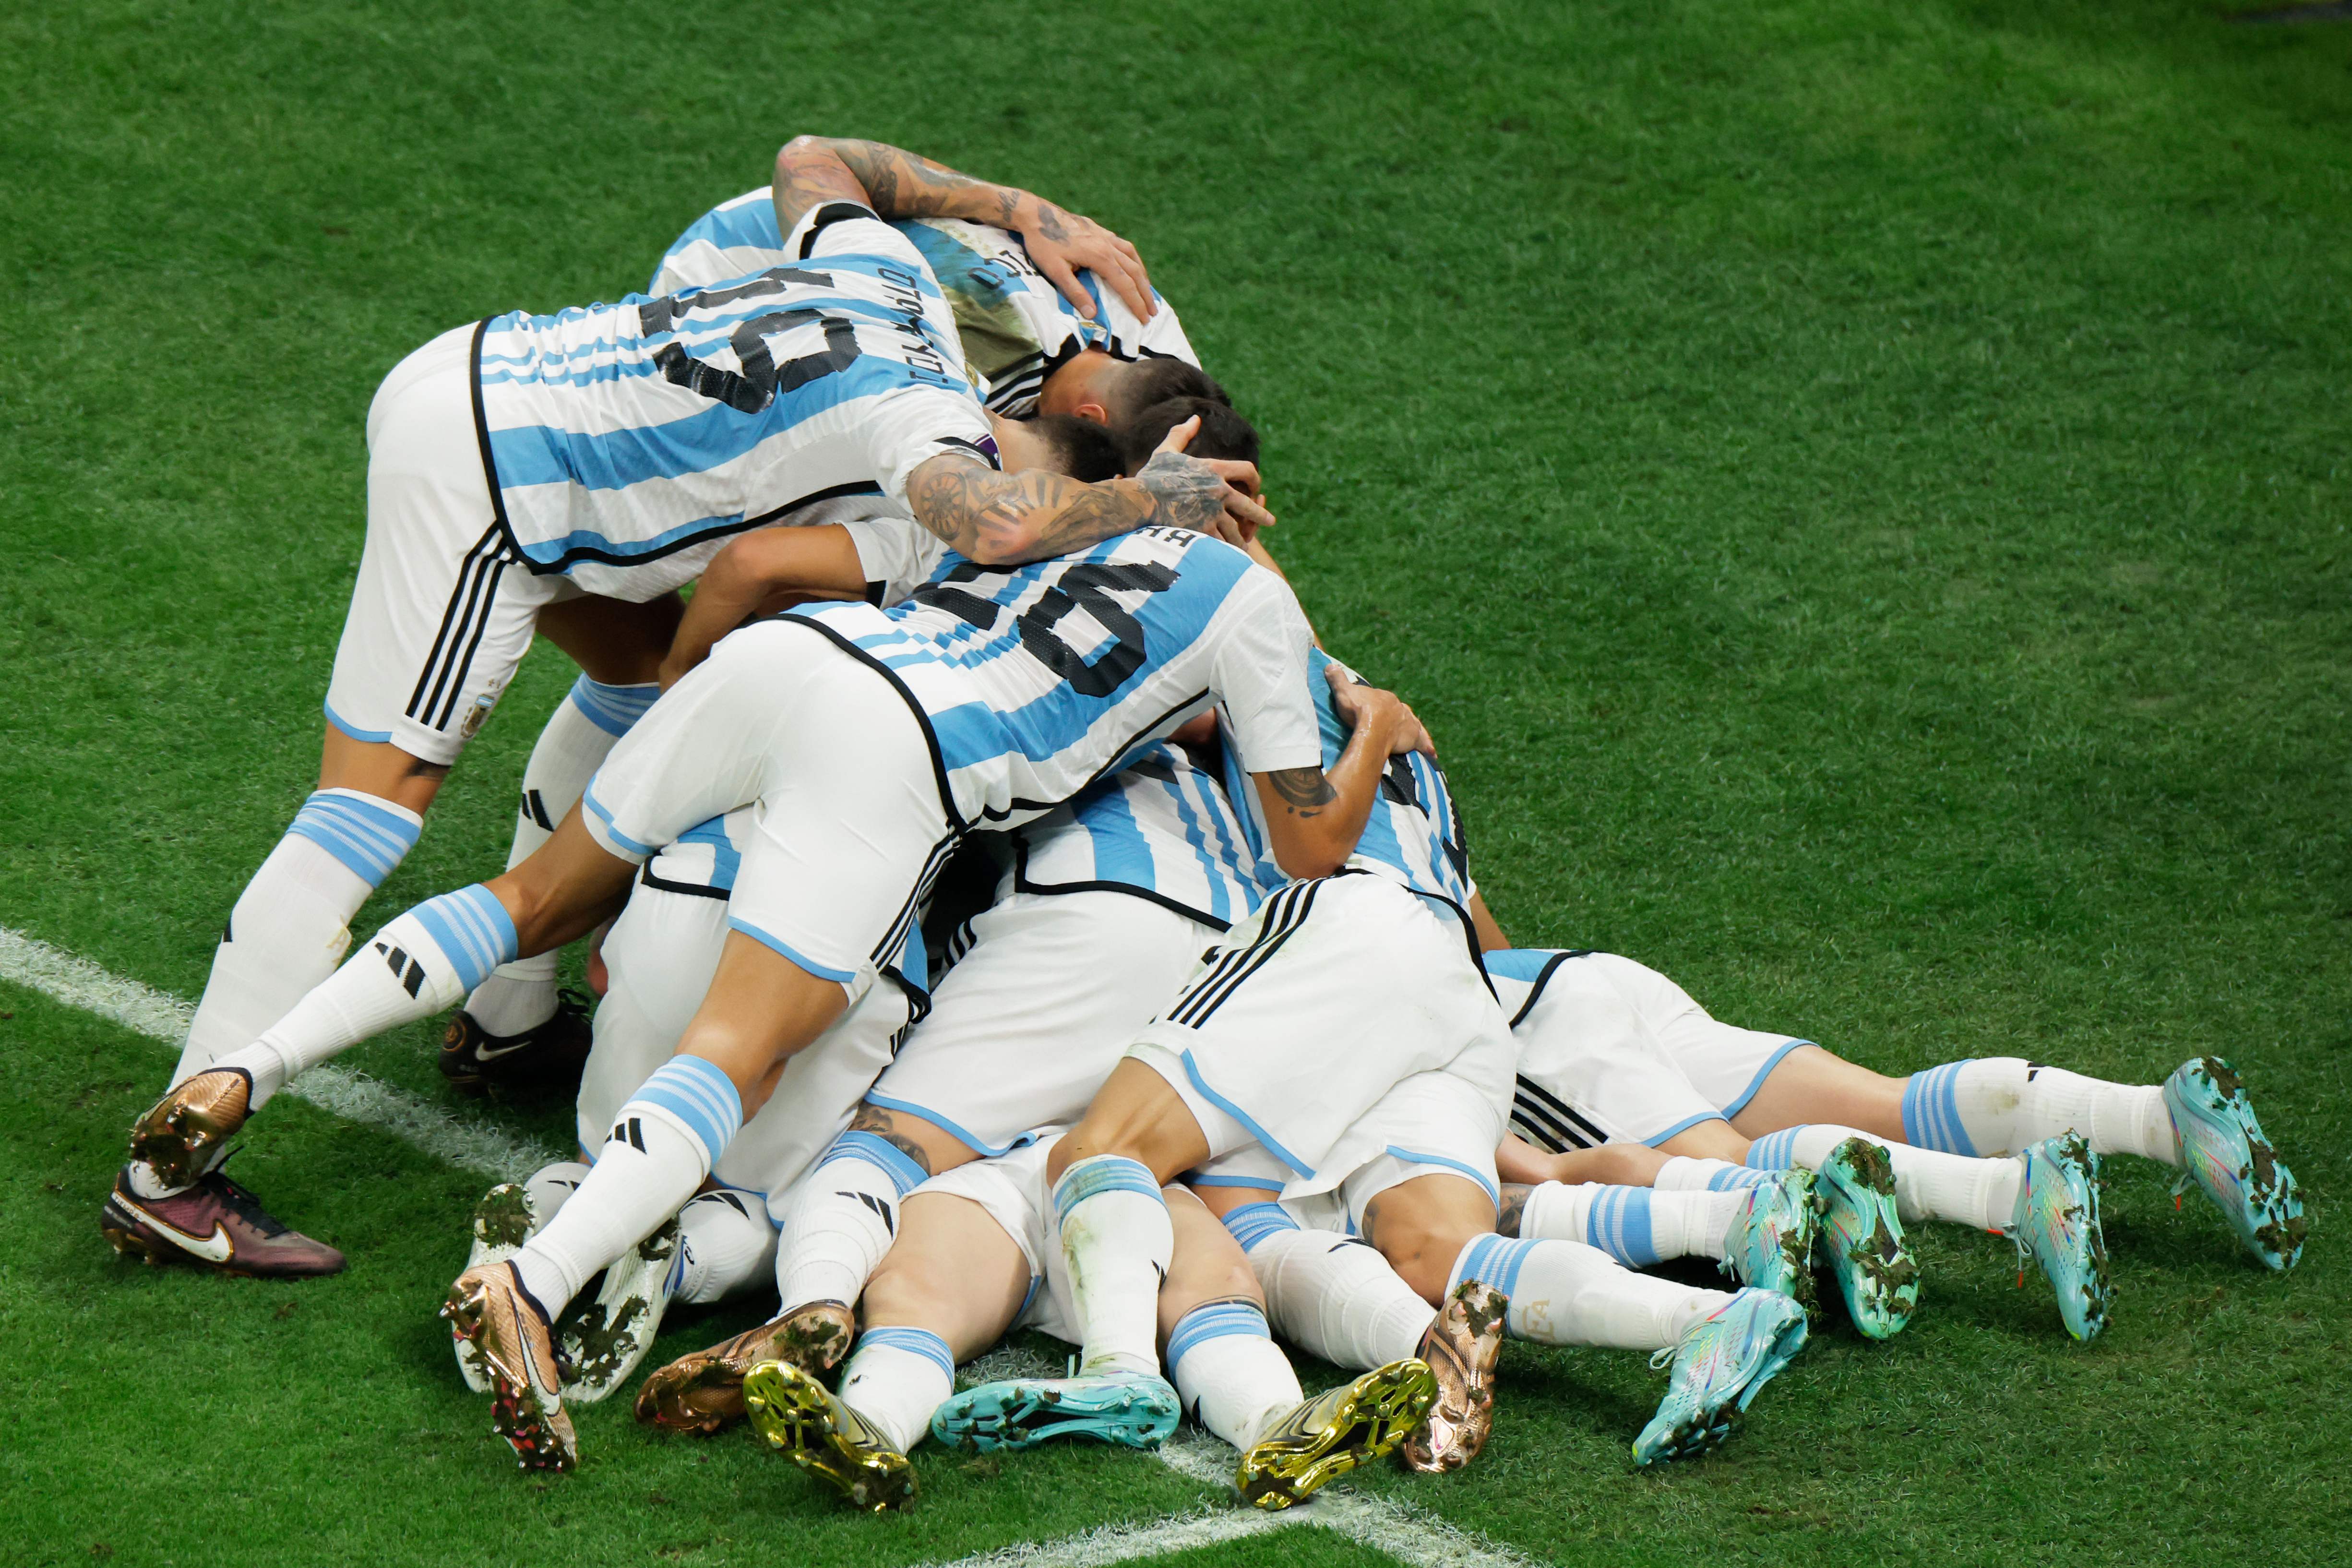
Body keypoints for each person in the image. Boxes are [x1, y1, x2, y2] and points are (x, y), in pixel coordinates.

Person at [939, 653, 1812, 1470]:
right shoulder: (1380, 734)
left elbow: (1226, 738)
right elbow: (1481, 934)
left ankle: (1120, 1366)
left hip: (1345, 940)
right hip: (1454, 993)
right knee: (1424, 1245)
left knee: (1105, 1150)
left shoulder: (1193, 669)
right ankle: (1707, 1315)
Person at [733, 1129, 1437, 1513]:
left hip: (1141, 1175)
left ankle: (1280, 1428)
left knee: (1218, 1282)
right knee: (914, 1290)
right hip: (997, 1170)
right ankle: (868, 1432)